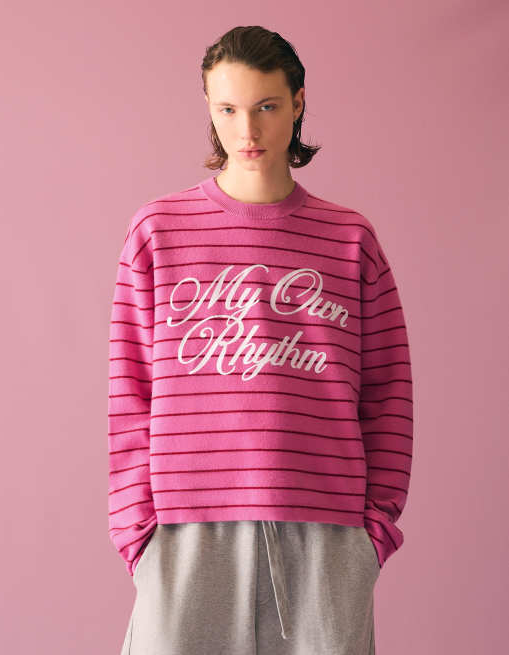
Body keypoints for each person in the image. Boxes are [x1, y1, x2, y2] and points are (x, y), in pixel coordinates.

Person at [109, 25, 413, 655]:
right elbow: (130, 388)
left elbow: (388, 393)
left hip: (326, 534)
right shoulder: (157, 231)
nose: (246, 131)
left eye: (266, 107)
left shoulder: (350, 239)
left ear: (298, 103)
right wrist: (138, 531)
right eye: (227, 110)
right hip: (185, 530)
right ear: (209, 109)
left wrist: (372, 532)